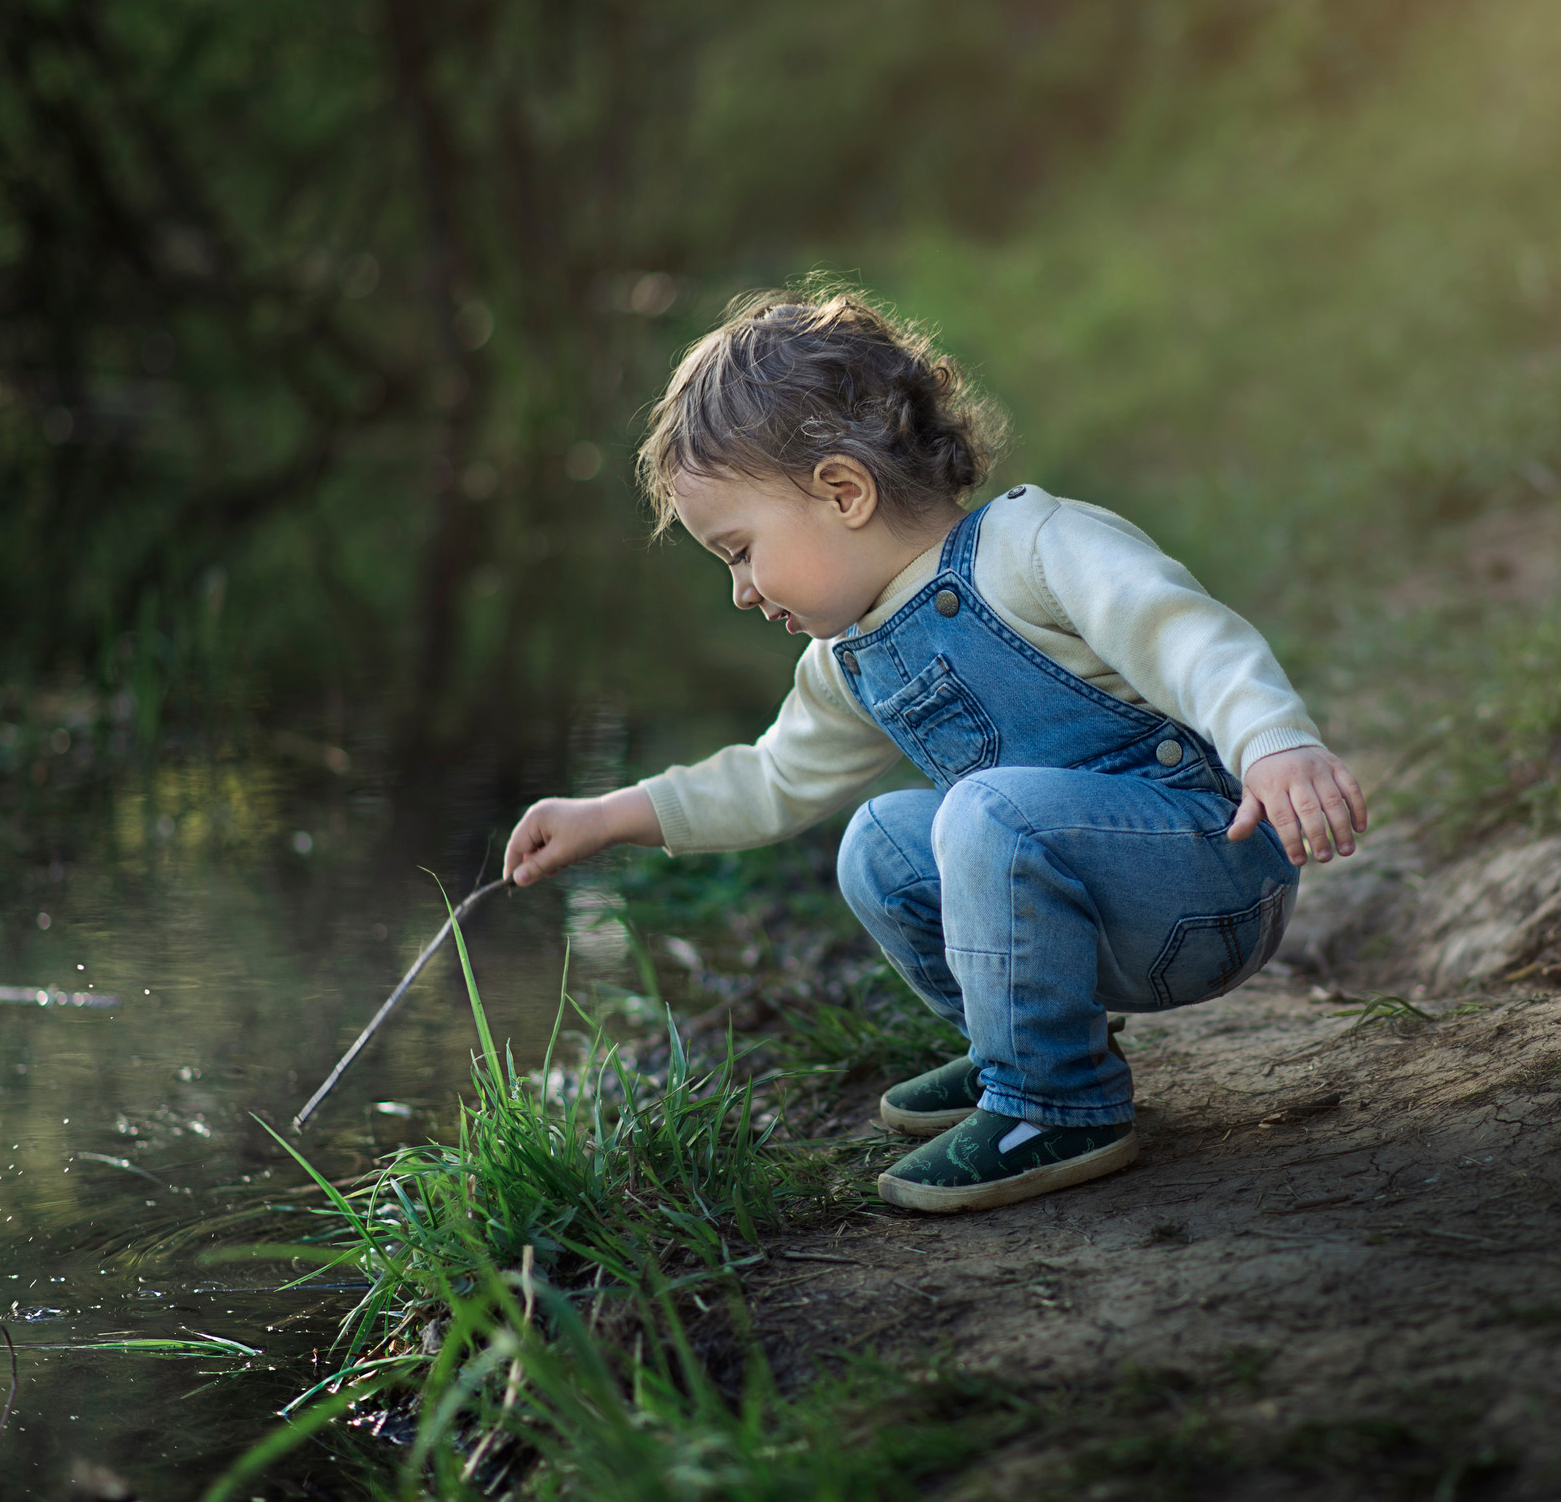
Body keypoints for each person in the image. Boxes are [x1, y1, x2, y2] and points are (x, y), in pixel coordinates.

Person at [501, 288, 1365, 1213]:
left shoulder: (1033, 548)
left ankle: (1056, 1104)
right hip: (1100, 907)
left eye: (740, 551)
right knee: (878, 841)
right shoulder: (849, 656)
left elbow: (1186, 635)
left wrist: (1273, 745)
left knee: (985, 811)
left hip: (1209, 873)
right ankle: (1032, 1047)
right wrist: (606, 815)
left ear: (845, 491)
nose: (742, 590)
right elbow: (773, 777)